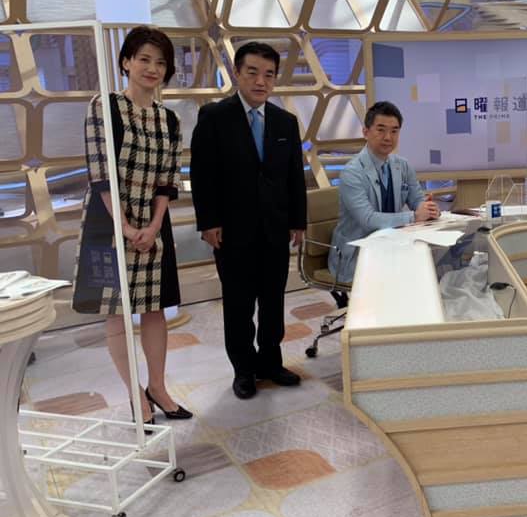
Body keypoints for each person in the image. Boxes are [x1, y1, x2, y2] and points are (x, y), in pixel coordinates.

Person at [73, 26, 192, 426]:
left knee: (155, 308)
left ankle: (158, 387)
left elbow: (168, 179)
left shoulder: (169, 119)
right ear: (125, 62)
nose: (152, 68)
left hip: (153, 225)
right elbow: (100, 172)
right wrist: (124, 227)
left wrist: (154, 225)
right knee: (117, 311)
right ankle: (135, 395)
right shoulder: (103, 107)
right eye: (143, 59)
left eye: (160, 62)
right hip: (107, 222)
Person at [190, 42, 307, 400]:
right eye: (253, 72)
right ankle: (243, 369)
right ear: (237, 73)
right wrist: (208, 222)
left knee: (272, 300)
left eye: (269, 75)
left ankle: (270, 362)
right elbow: (202, 174)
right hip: (231, 229)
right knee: (239, 303)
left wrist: (298, 222)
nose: (261, 81)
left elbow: (294, 177)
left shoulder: (286, 122)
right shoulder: (214, 116)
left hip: (275, 228)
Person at [330, 101, 439, 282]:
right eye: (381, 130)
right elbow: (368, 220)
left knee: (436, 265)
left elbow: (417, 200)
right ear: (366, 132)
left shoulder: (402, 166)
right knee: (416, 275)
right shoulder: (352, 172)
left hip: (394, 245)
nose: (388, 137)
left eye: (394, 131)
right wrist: (414, 216)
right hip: (358, 254)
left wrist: (428, 209)